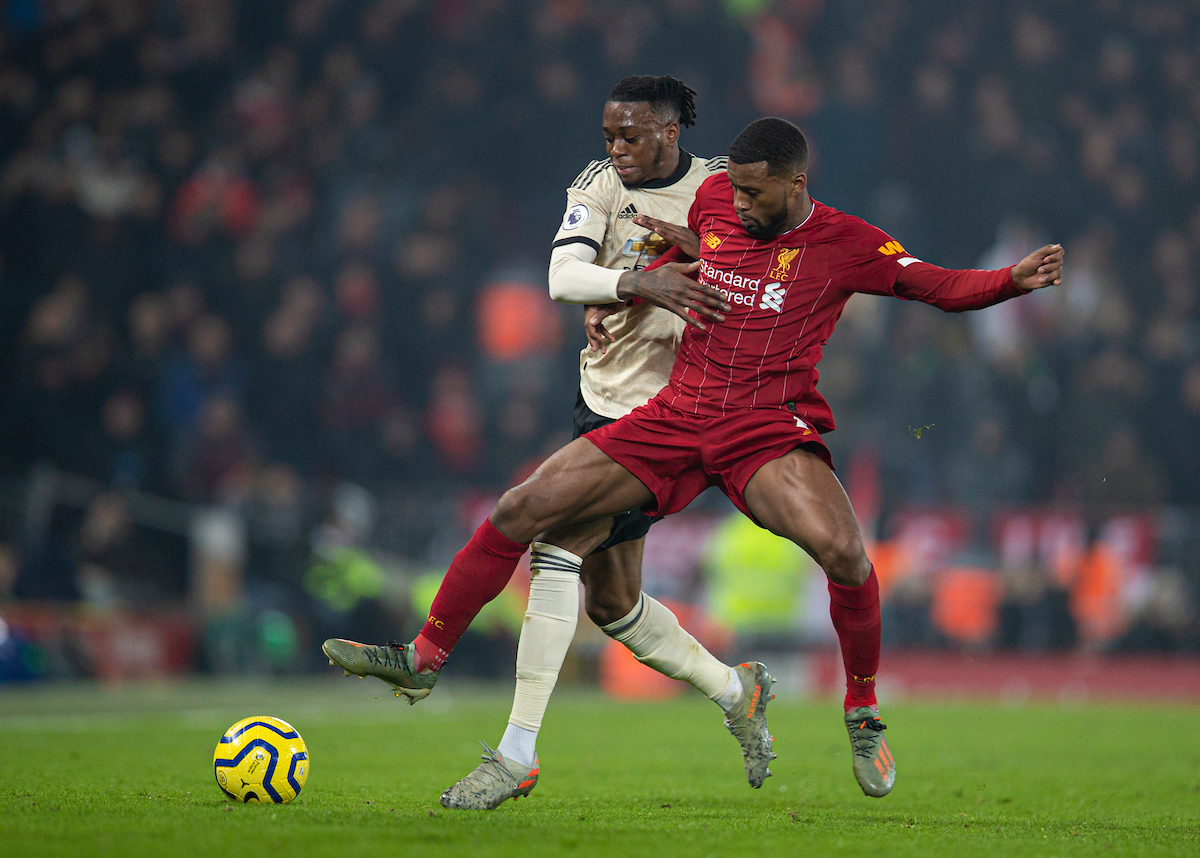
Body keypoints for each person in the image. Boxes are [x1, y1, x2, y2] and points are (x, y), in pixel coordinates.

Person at [328, 116, 1065, 805]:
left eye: (754, 191)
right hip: (675, 420)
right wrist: (631, 281)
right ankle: (425, 658)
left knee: (845, 554)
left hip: (764, 432)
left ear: (795, 185)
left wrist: (1010, 282)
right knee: (522, 511)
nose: (737, 200)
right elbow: (698, 243)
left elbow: (933, 285)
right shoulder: (716, 200)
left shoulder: (846, 242)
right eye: (734, 187)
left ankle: (863, 709)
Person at [326, 76, 778, 809]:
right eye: (609, 136)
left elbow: (773, 268)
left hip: (675, 419)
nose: (616, 149)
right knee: (615, 603)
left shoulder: (724, 188)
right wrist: (635, 285)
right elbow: (562, 274)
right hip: (601, 403)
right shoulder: (599, 184)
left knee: (534, 525)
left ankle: (475, 711)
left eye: (630, 136)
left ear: (670, 132)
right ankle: (737, 690)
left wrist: (689, 262)